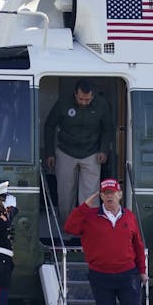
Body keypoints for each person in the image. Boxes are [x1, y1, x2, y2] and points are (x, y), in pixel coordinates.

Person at [64, 178, 148, 305]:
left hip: (127, 273)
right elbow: (69, 227)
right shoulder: (90, 216)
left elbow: (138, 245)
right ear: (101, 196)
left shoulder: (129, 217)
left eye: (113, 193)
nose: (110, 196)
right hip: (100, 275)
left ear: (119, 195)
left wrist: (142, 270)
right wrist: (84, 206)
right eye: (105, 193)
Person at [44, 79, 113, 227]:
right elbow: (49, 125)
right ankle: (67, 227)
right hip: (65, 151)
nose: (84, 102)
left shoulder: (102, 105)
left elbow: (108, 129)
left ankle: (88, 228)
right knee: (65, 194)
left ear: (93, 96)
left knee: (91, 195)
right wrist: (50, 152)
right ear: (75, 94)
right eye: (81, 99)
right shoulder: (63, 102)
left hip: (92, 153)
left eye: (87, 99)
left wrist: (104, 150)